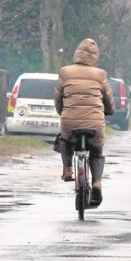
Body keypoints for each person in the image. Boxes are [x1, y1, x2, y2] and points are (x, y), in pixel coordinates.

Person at [54, 38, 114, 206]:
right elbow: (108, 100)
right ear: (95, 56)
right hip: (94, 123)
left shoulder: (65, 72)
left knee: (65, 140)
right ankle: (96, 183)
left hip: (69, 121)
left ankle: (67, 169)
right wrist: (109, 111)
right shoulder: (100, 74)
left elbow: (58, 98)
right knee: (96, 150)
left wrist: (62, 113)